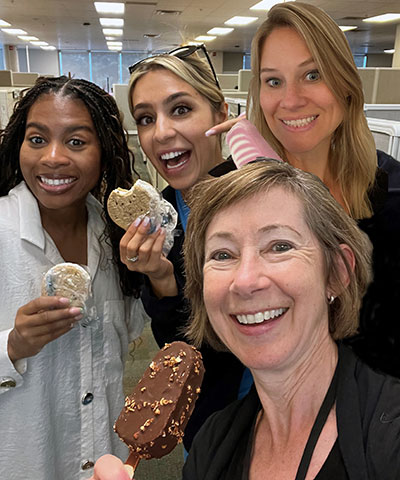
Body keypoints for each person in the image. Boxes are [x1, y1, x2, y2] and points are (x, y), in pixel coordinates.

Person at [89, 161, 400, 480]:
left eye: (280, 246)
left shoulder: (390, 439)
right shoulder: (210, 445)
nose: (246, 280)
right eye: (223, 254)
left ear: (337, 272)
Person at [209, 1, 400, 378]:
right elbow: (209, 342)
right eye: (273, 81)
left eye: (312, 75)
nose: (291, 100)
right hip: (274, 412)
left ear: (345, 84)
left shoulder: (392, 191)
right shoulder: (229, 190)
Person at [0, 76, 149, 480]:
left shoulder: (115, 236)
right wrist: (12, 345)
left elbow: (124, 340)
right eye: (36, 139)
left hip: (105, 458)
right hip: (26, 460)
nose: (52, 157)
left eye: (76, 142)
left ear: (105, 151)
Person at [120, 46, 248, 450]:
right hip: (212, 423)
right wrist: (161, 280)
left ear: (220, 114)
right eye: (145, 118)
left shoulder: (266, 195)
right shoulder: (158, 220)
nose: (160, 133)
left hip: (294, 412)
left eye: (180, 110)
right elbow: (184, 355)